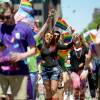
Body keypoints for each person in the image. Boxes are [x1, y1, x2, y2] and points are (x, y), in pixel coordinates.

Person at [0, 2, 36, 100]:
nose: (5, 20)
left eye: (7, 17)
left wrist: (21, 56)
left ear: (13, 11)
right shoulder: (0, 28)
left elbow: (34, 50)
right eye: (2, 17)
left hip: (20, 72)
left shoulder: (25, 29)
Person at [86, 24, 100, 100]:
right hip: (95, 68)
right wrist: (86, 68)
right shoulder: (93, 44)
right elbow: (89, 57)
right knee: (97, 88)